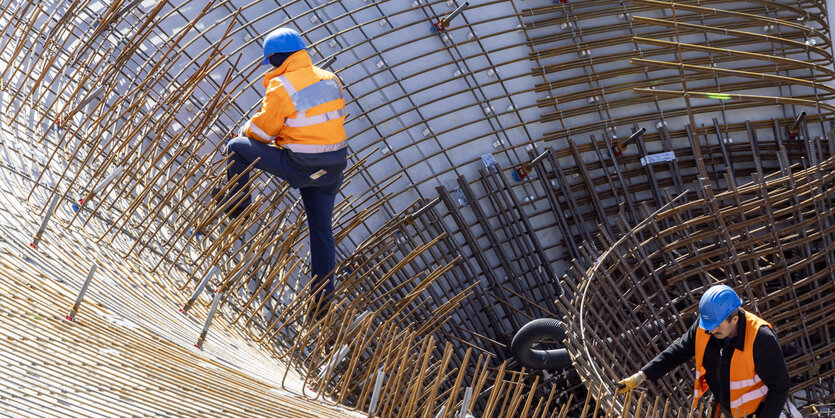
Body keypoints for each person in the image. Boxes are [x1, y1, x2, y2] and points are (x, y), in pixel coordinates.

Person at [220, 27, 347, 320]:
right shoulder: (331, 78)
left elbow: (261, 132)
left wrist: (245, 130)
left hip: (302, 165)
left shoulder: (283, 86)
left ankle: (238, 207)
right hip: (333, 167)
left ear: (276, 59)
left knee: (237, 147)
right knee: (321, 231)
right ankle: (322, 298)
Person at [616, 285, 789, 418]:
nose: (711, 331)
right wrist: (642, 375)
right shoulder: (706, 326)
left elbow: (779, 386)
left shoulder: (761, 339)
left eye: (717, 327)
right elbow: (678, 351)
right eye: (709, 326)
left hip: (751, 413)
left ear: (734, 319)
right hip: (721, 407)